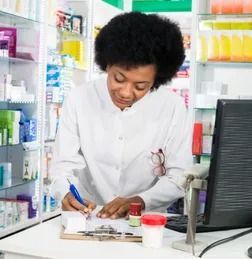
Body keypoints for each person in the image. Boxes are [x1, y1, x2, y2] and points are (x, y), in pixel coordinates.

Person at [50, 12, 192, 219]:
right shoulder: (80, 99)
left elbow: (180, 176)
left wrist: (142, 200)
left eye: (140, 86)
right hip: (88, 216)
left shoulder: (172, 107)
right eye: (118, 78)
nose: (126, 92)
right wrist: (66, 193)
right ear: (107, 64)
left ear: (157, 80)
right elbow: (63, 167)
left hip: (146, 221)